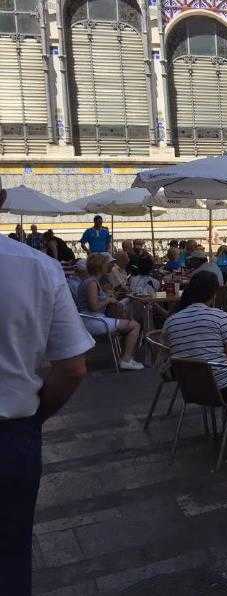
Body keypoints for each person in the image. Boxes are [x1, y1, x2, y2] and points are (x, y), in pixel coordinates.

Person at [0, 215, 93, 594]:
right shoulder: (36, 266)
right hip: (10, 435)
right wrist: (34, 417)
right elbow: (72, 368)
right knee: (9, 558)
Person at [163, 271, 227, 397]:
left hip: (189, 390)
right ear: (214, 293)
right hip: (222, 389)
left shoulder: (171, 321)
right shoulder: (220, 317)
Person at [76, 253, 143, 370]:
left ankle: (125, 357)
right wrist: (108, 300)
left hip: (91, 319)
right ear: (100, 266)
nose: (108, 266)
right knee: (135, 326)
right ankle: (126, 360)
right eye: (106, 264)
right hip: (93, 321)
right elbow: (94, 306)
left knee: (127, 323)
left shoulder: (90, 281)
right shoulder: (92, 283)